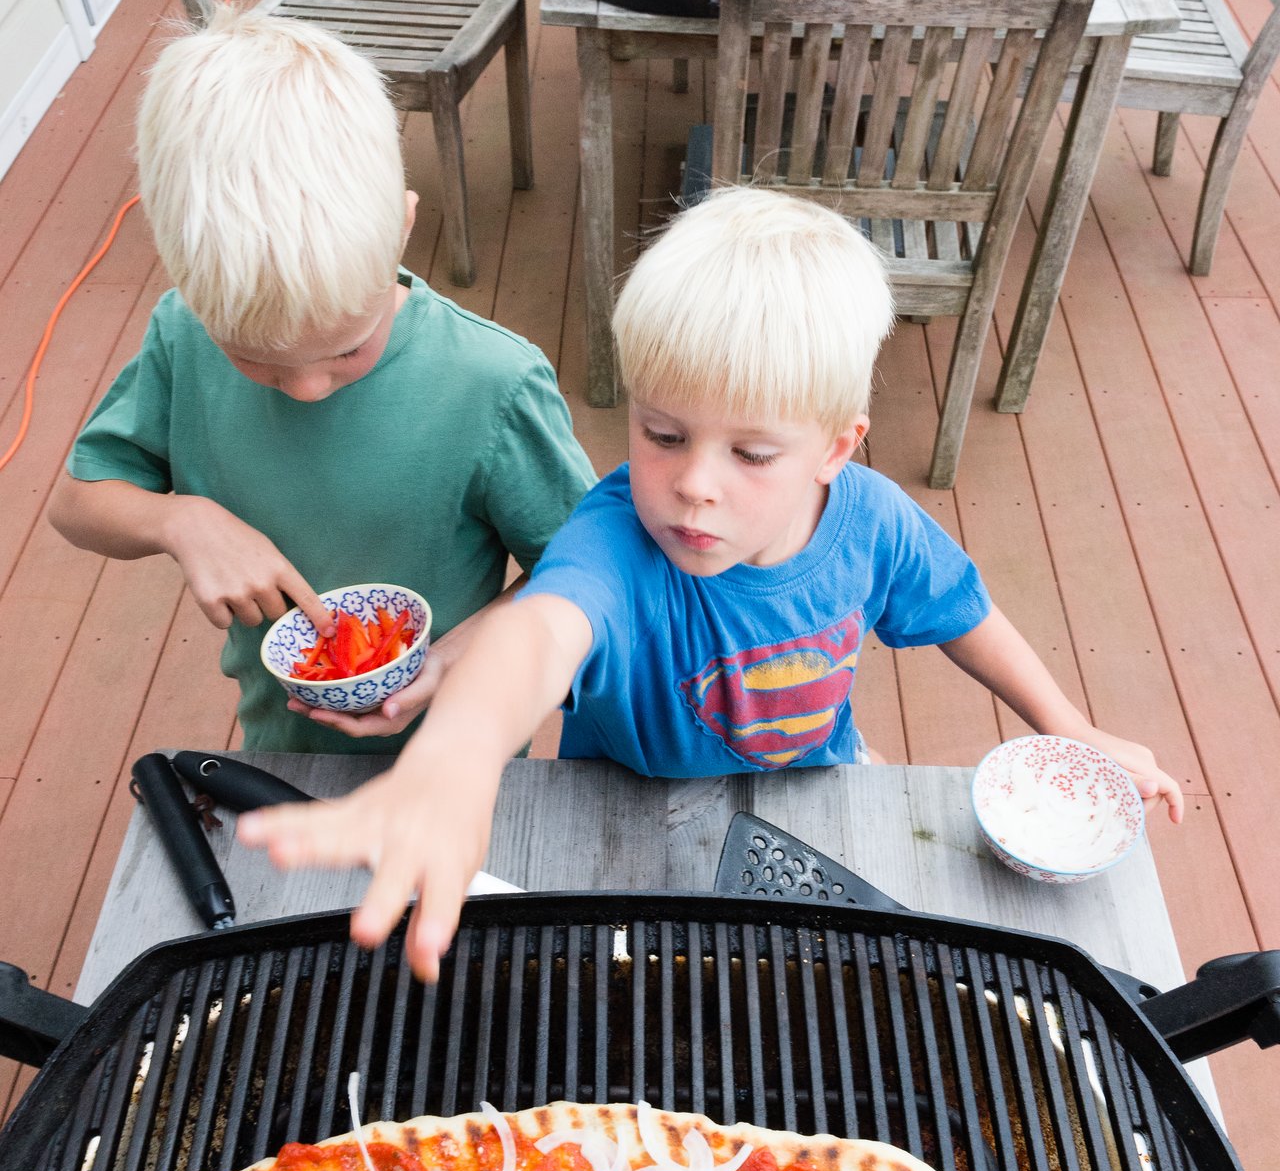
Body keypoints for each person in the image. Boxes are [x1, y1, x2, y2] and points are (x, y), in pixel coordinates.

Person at [240, 188, 1183, 967]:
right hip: (616, 802)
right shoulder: (618, 537)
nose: (694, 483)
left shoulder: (871, 520)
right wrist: (457, 755)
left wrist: (1070, 727)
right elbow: (542, 630)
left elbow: (962, 612)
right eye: (662, 434)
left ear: (835, 449)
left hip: (815, 779)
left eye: (752, 453)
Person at [48, 8, 595, 754]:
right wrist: (180, 521)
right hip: (279, 750)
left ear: (403, 226)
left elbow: (585, 574)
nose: (305, 388)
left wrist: (450, 660)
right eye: (257, 361)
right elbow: (77, 503)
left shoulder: (490, 385)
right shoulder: (184, 334)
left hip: (464, 756)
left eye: (346, 350)